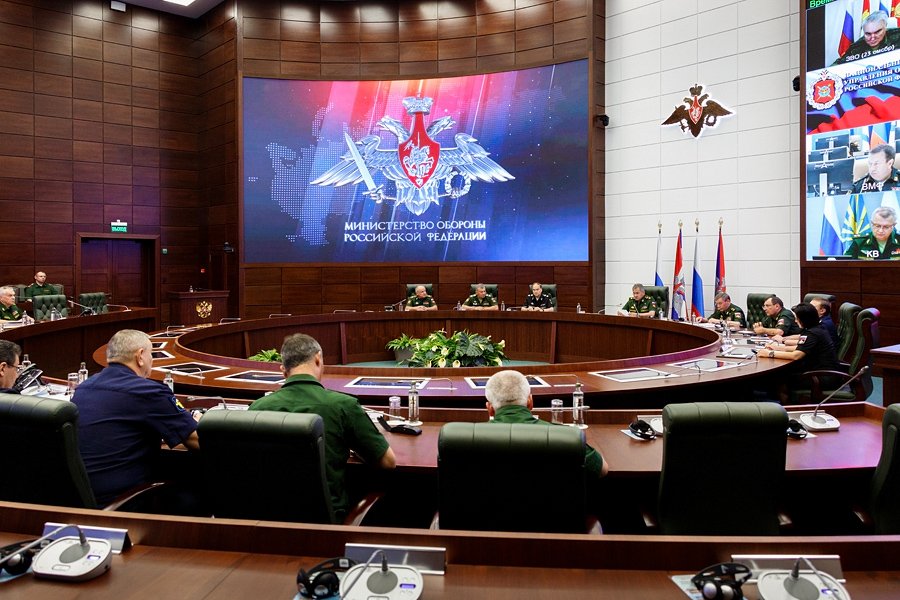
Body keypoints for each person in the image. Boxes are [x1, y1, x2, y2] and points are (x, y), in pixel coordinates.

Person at [248, 333, 395, 519]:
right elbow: (388, 462)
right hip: (325, 523)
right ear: (318, 358)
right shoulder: (343, 405)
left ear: (284, 371)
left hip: (270, 521)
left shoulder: (257, 408)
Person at [72, 330, 199, 506]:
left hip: (79, 500)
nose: (151, 360)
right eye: (151, 354)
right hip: (121, 502)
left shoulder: (84, 388)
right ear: (140, 356)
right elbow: (196, 440)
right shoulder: (148, 391)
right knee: (196, 491)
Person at [485, 370, 607, 477]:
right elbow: (602, 469)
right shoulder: (566, 437)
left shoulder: (474, 435)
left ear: (489, 408)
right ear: (530, 402)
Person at [760, 303, 841, 403]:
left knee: (780, 378)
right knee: (781, 373)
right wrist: (777, 348)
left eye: (797, 318)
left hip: (823, 377)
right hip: (818, 372)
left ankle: (788, 408)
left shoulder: (813, 333)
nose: (795, 321)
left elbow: (796, 355)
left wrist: (769, 353)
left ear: (804, 319)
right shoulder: (816, 329)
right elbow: (801, 348)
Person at [833, 11, 900, 65]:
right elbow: (838, 64)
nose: (872, 38)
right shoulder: (857, 47)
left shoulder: (897, 35)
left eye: (877, 32)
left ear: (885, 28)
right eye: (868, 34)